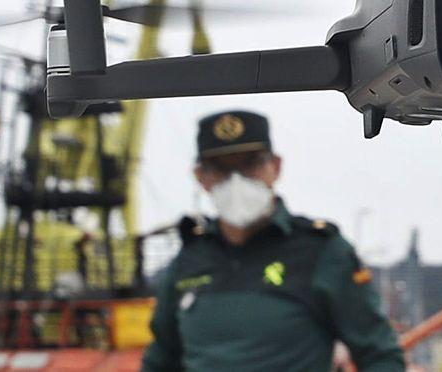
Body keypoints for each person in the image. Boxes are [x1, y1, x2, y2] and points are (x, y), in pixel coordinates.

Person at [142, 111, 404, 371]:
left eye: (250, 164)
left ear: (275, 166)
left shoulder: (321, 251)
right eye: (220, 169)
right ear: (200, 176)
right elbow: (161, 359)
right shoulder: (189, 259)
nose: (236, 180)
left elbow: (379, 355)